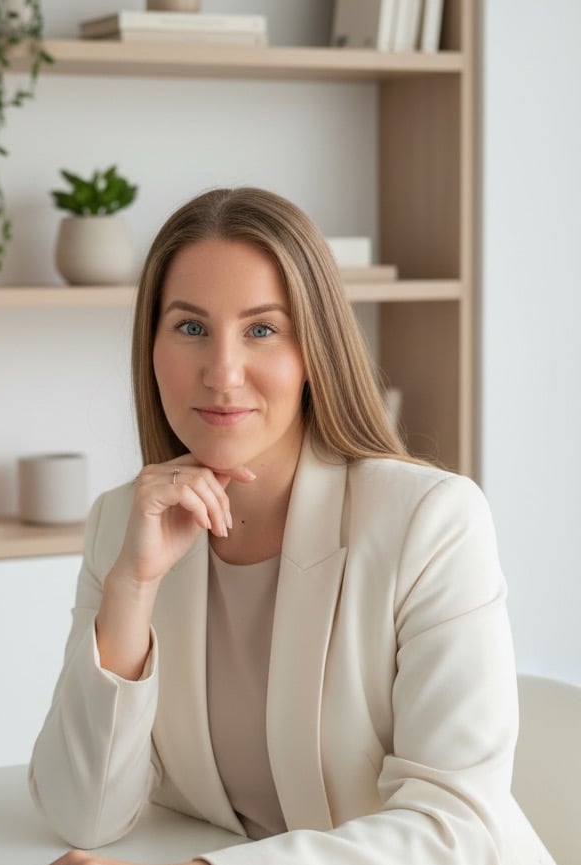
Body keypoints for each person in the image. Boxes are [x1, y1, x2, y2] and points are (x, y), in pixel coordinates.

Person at [29, 187, 554, 865]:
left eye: (261, 329)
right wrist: (132, 585)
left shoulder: (431, 522)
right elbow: (84, 813)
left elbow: (454, 827)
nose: (222, 372)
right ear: (150, 347)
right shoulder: (121, 524)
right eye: (190, 327)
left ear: (314, 350)